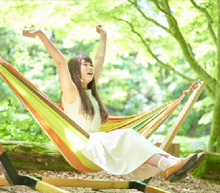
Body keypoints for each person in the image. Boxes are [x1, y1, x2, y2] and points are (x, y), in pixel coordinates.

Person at [22, 25, 204, 182]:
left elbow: (100, 60)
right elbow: (61, 63)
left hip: (97, 142)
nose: (90, 67)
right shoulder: (71, 93)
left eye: (89, 65)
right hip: (85, 146)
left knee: (132, 138)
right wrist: (41, 35)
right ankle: (169, 164)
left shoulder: (90, 93)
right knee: (128, 136)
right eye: (84, 65)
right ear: (74, 72)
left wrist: (104, 36)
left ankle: (171, 163)